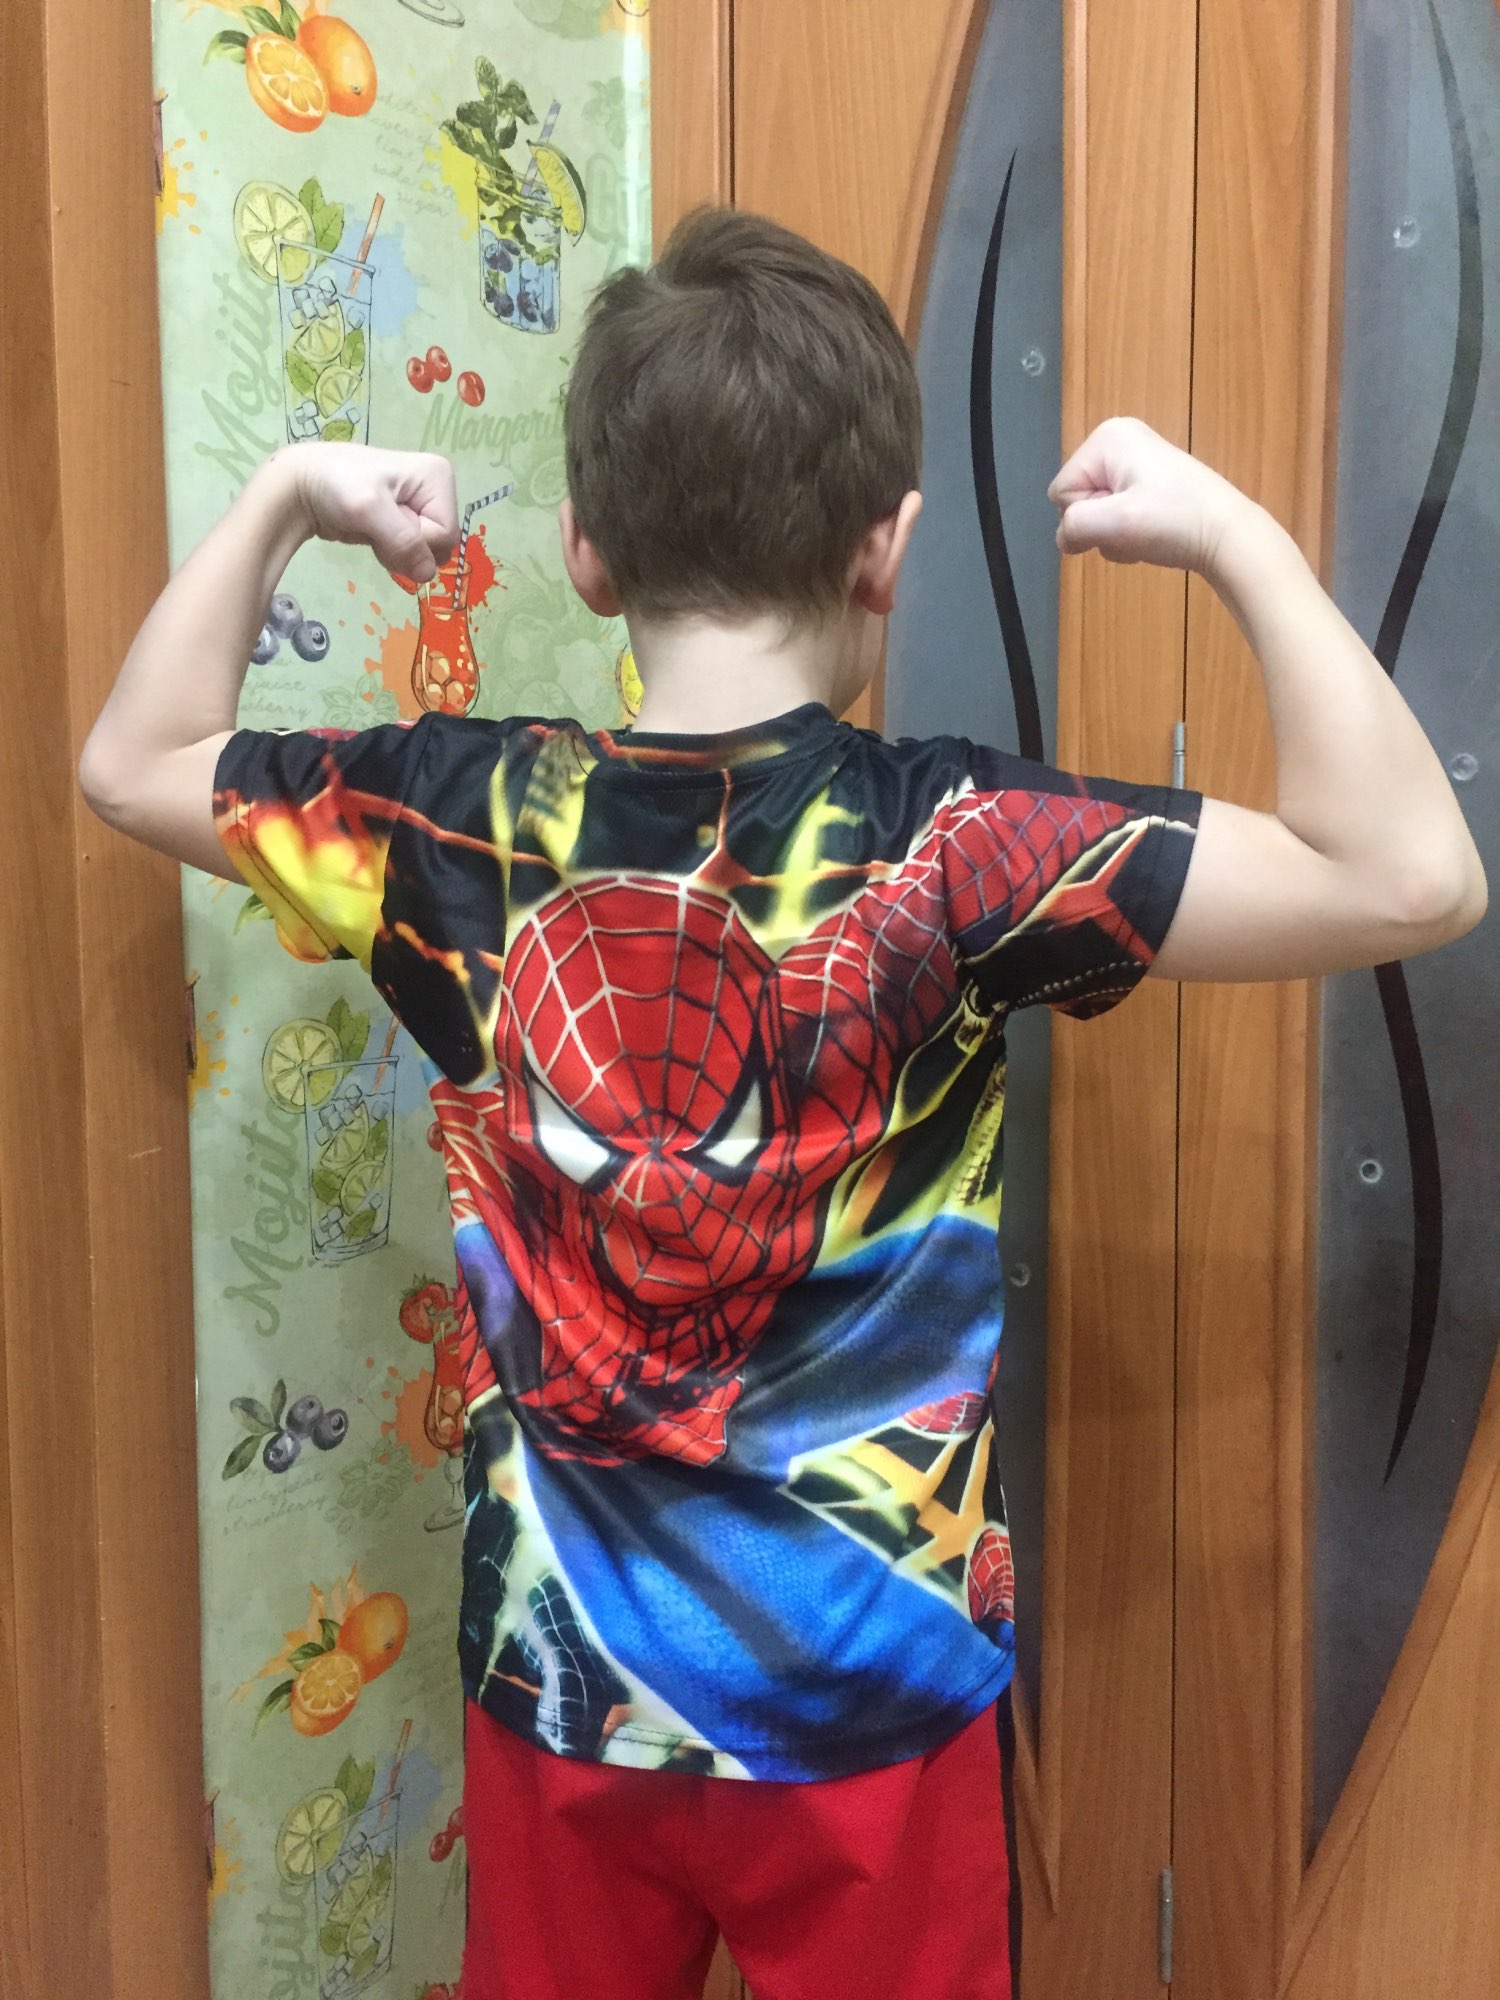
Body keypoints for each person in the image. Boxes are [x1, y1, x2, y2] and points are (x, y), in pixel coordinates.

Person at [81, 208, 1485, 2000]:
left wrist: (290, 490)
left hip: (563, 1694)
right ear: (886, 549)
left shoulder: (452, 821)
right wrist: (1235, 539)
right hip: (868, 1700)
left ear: (587, 551)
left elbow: (130, 758)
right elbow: (1411, 876)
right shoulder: (958, 846)